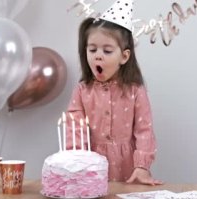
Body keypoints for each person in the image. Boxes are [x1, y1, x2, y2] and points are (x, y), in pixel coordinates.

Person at [66, 0, 162, 186]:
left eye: (107, 50)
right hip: (90, 167)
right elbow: (74, 130)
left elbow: (144, 131)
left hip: (128, 169)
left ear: (124, 56)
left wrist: (142, 166)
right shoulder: (82, 91)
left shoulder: (135, 90)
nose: (98, 55)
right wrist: (77, 162)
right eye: (92, 49)